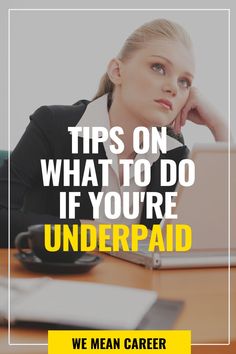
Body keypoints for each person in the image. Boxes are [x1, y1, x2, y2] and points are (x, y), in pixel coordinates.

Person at [0, 19, 228, 248]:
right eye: (158, 68)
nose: (173, 88)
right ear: (117, 71)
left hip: (135, 284)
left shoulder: (174, 155)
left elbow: (215, 236)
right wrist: (89, 230)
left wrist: (219, 127)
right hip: (56, 280)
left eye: (185, 82)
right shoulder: (53, 126)